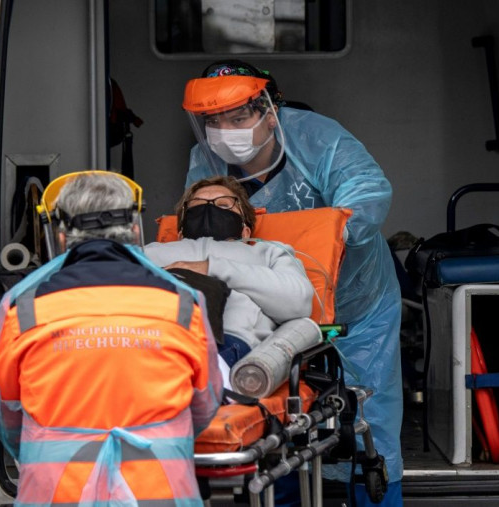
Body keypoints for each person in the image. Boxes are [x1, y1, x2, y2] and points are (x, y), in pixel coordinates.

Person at [182, 60, 403, 506]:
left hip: (356, 302)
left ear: (270, 109)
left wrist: (318, 242)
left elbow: (367, 192)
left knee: (366, 416)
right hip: (271, 313)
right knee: (274, 419)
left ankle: (378, 495)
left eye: (239, 116)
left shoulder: (316, 138)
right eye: (213, 121)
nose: (226, 131)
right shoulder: (204, 159)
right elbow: (197, 231)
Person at [0, 171, 222, 506]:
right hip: (162, 491)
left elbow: (0, 404)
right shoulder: (182, 301)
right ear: (136, 230)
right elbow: (205, 401)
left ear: (62, 238)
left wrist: (42, 445)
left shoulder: (22, 307)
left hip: (56, 493)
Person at [145, 174, 314, 385]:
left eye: (224, 205)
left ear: (245, 230)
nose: (210, 209)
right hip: (145, 340)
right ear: (180, 233)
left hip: (224, 345)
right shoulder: (147, 253)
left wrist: (212, 267)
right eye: (197, 207)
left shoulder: (267, 253)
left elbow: (298, 302)